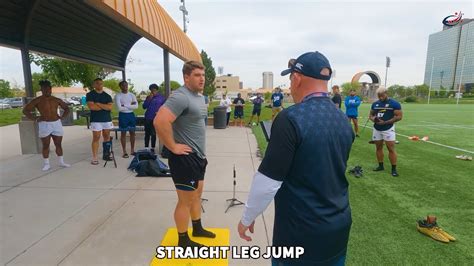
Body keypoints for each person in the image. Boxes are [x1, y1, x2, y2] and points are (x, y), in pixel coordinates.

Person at [238, 52, 354, 265]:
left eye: (291, 79)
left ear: (297, 78)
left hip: (300, 231)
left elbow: (267, 182)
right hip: (338, 226)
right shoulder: (343, 119)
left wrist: (247, 217)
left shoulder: (290, 118)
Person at [155, 61, 215, 247]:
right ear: (186, 77)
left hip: (197, 156)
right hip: (184, 158)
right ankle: (183, 240)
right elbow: (160, 121)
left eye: (203, 75)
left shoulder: (198, 96)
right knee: (185, 200)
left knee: (197, 194)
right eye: (197, 75)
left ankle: (197, 227)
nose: (202, 79)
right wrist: (172, 146)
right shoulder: (181, 96)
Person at [23, 80, 71, 171]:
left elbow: (66, 108)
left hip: (56, 123)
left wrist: (62, 117)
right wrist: (36, 118)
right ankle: (46, 164)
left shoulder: (56, 99)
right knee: (46, 145)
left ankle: (61, 162)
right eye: (44, 89)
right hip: (44, 124)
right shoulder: (37, 100)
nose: (47, 91)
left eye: (48, 89)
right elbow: (25, 110)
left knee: (58, 144)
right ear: (41, 89)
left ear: (51, 89)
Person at [369, 87, 403, 177]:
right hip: (377, 128)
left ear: (386, 93)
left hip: (388, 128)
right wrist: (374, 119)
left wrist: (386, 122)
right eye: (379, 96)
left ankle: (394, 169)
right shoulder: (375, 104)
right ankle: (380, 166)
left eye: (382, 95)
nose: (380, 98)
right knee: (378, 148)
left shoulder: (394, 104)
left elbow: (399, 116)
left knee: (391, 149)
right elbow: (371, 115)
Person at [86, 78, 113, 165]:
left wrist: (98, 104)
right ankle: (95, 157)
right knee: (96, 137)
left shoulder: (107, 96)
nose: (99, 85)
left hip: (106, 119)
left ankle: (106, 154)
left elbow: (110, 108)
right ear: (94, 85)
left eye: (101, 84)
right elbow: (92, 107)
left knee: (107, 136)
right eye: (97, 83)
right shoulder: (90, 94)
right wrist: (104, 106)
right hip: (96, 120)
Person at [115, 80, 138, 158]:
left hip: (131, 115)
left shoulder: (132, 95)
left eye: (126, 85)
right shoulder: (118, 95)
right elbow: (119, 108)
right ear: (120, 86)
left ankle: (132, 150)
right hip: (123, 115)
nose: (125, 87)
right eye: (123, 85)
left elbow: (136, 106)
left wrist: (124, 105)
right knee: (123, 133)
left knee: (132, 133)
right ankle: (124, 151)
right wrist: (130, 105)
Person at [143, 83, 165, 153]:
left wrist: (159, 112)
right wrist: (149, 99)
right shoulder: (148, 97)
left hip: (156, 118)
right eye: (151, 90)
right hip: (148, 118)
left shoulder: (161, 98)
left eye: (154, 90)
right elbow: (144, 107)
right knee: (147, 133)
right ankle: (146, 147)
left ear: (157, 90)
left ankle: (153, 147)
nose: (153, 92)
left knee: (153, 134)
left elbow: (164, 107)